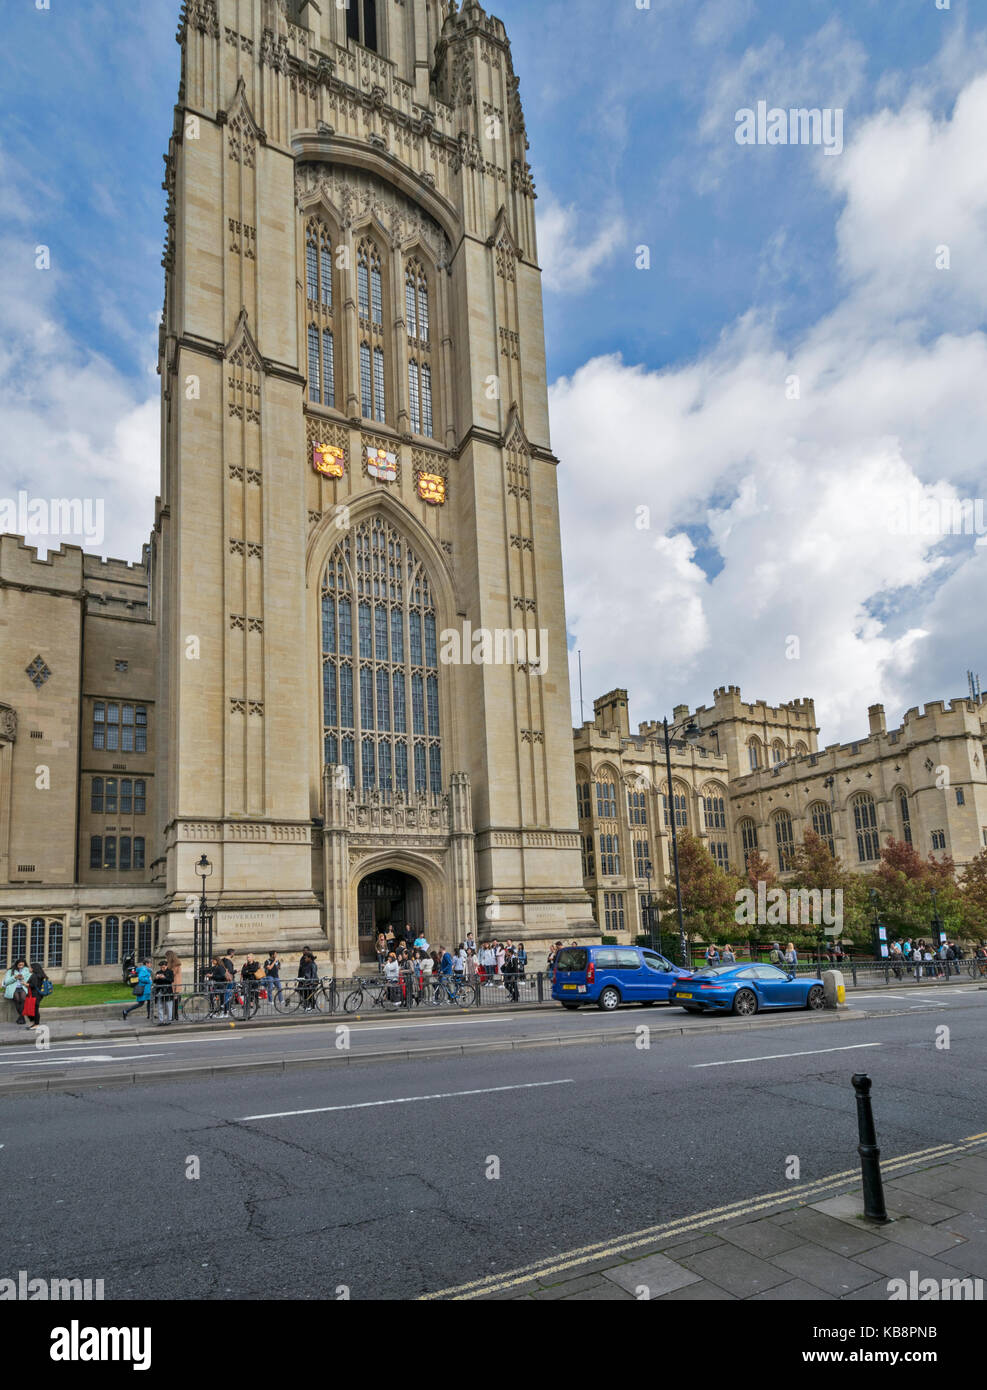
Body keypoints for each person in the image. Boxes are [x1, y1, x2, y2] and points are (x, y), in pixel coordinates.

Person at [122, 957, 154, 1022]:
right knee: (140, 1004)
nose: (151, 964)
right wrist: (149, 980)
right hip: (144, 989)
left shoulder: (145, 969)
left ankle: (149, 1015)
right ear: (147, 963)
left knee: (149, 1001)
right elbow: (141, 978)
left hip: (146, 989)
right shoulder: (143, 969)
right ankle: (126, 1011)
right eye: (150, 963)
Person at [3, 958, 32, 1026]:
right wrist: (14, 977)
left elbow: (30, 979)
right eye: (19, 965)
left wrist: (23, 978)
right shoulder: (10, 971)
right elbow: (6, 982)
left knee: (23, 999)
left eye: (22, 965)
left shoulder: (27, 970)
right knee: (17, 999)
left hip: (23, 987)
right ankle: (22, 1018)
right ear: (16, 964)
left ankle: (21, 1018)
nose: (21, 966)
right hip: (14, 988)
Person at [24, 962, 48, 1031]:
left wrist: (24, 984)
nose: (29, 968)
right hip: (38, 995)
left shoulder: (35, 975)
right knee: (34, 1009)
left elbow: (32, 985)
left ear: (34, 968)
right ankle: (34, 1023)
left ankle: (36, 1024)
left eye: (30, 967)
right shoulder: (40, 975)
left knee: (34, 1010)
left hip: (35, 995)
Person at [152, 958, 174, 1026]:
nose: (162, 968)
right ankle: (161, 1021)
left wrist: (164, 977)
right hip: (160, 991)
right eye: (161, 967)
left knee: (168, 1006)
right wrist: (156, 978)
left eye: (163, 967)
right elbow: (155, 981)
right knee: (160, 1006)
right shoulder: (158, 972)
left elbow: (171, 980)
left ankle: (168, 1020)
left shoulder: (170, 972)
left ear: (166, 966)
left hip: (167, 991)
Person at [165, 949, 183, 1022]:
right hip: (176, 984)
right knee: (175, 1002)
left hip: (174, 984)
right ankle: (175, 1016)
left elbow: (172, 974)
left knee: (173, 1002)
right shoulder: (176, 964)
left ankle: (173, 1016)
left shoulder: (174, 965)